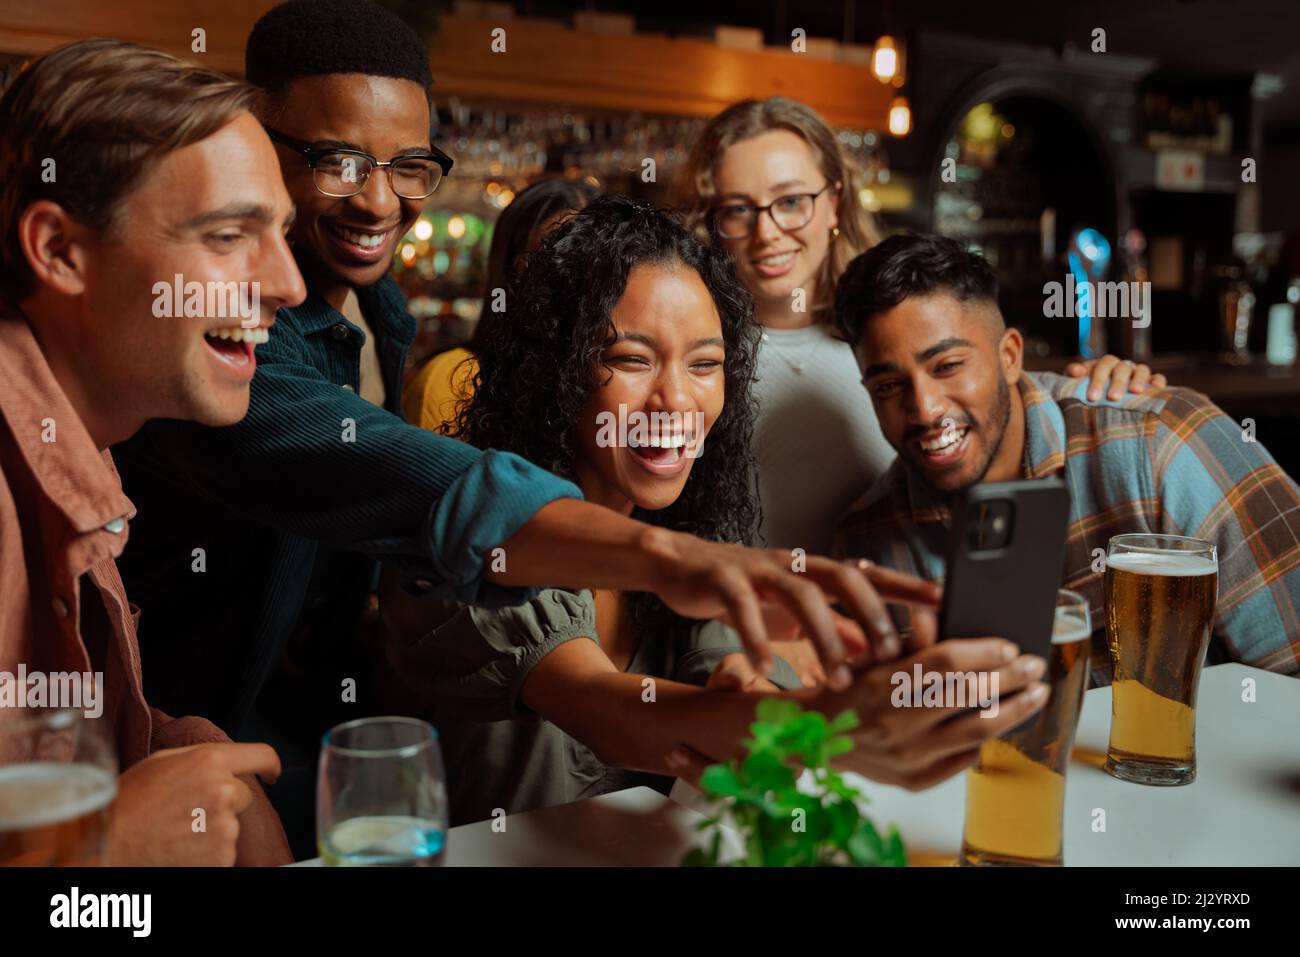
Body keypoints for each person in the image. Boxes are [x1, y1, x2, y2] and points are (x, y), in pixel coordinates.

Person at [108, 0, 929, 856]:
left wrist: (769, 685)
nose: (378, 199)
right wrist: (681, 568)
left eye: (410, 165)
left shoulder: (382, 308)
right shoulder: (224, 342)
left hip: (317, 739)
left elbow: (720, 688)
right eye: (340, 160)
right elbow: (413, 487)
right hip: (178, 742)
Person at [381, 197, 1051, 822]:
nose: (676, 403)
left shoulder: (689, 531)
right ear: (557, 373)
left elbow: (728, 692)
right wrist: (829, 728)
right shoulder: (480, 534)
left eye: (705, 364)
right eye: (631, 358)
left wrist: (764, 690)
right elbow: (609, 712)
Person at [0, 38, 305, 865]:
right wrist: (105, 845)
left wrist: (176, 750)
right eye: (229, 234)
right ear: (61, 250)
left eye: (280, 232)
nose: (287, 283)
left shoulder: (82, 446)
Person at [675, 96, 1165, 557]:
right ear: (711, 221)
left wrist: (1112, 385)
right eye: (738, 209)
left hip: (892, 626)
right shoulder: (691, 362)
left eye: (790, 201)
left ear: (834, 203)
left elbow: (1004, 406)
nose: (767, 232)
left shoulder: (892, 330)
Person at [834, 233, 1300, 681]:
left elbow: (1292, 661)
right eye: (889, 386)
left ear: (1011, 356)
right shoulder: (869, 544)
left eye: (948, 366)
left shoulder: (1162, 444)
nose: (925, 408)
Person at [403, 177, 601, 433]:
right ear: (511, 272)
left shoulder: (617, 381)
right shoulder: (453, 381)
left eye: (595, 259)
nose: (576, 278)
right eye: (554, 258)